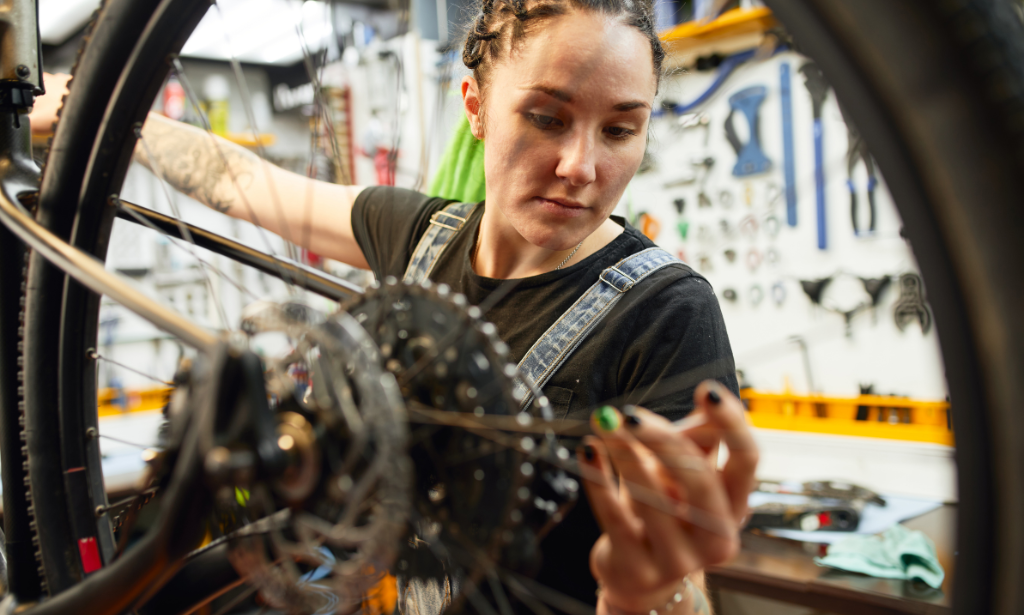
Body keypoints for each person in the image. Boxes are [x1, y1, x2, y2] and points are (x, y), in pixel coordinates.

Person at [32, 0, 759, 612]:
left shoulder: (666, 313)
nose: (582, 166)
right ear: (475, 108)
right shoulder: (420, 236)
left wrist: (645, 594)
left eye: (620, 129)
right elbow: (242, 181)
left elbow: (682, 579)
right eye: (545, 116)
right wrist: (90, 109)